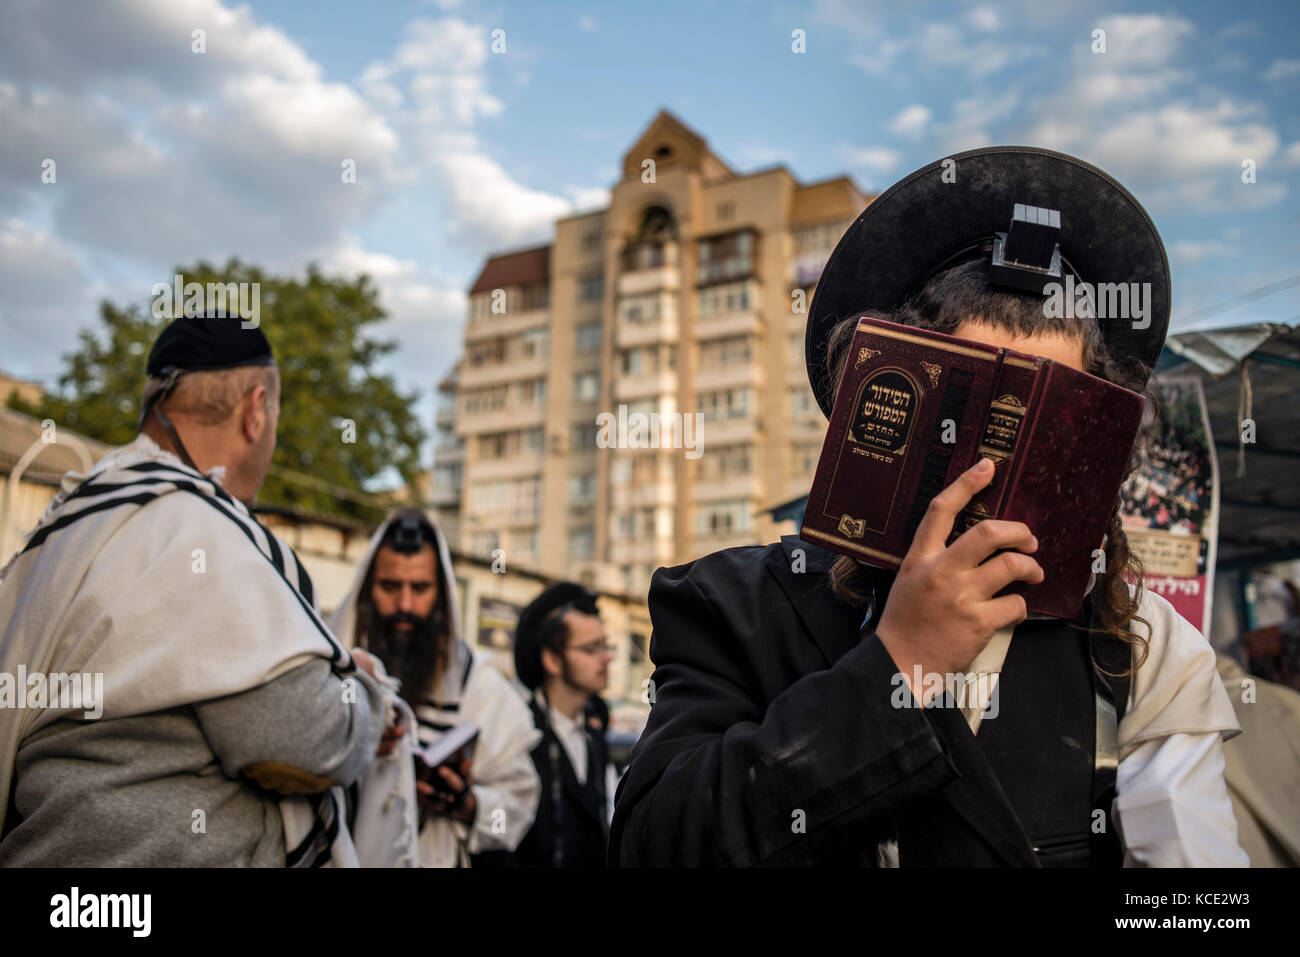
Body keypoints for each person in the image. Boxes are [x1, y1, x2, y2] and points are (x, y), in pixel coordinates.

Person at [610, 147, 1247, 867]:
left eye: (1042, 422)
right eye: (966, 413)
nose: (991, 468)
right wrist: (900, 665)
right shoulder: (733, 605)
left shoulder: (1143, 649)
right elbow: (651, 846)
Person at [0, 314, 400, 867]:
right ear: (256, 410)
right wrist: (365, 694)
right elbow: (305, 738)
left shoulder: (69, 524)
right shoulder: (196, 529)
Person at [327, 508, 541, 867]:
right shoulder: (331, 667)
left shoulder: (480, 686)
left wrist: (466, 803)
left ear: (441, 595)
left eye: (421, 588)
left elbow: (519, 803)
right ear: (367, 589)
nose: (405, 605)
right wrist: (345, 742)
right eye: (390, 586)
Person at [512, 582, 617, 868]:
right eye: (591, 648)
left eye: (606, 646)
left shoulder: (594, 735)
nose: (606, 657)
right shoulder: (518, 735)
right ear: (552, 659)